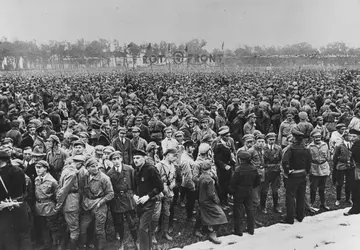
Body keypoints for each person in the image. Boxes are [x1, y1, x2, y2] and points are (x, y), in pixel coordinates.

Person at [78, 158, 114, 250]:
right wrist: (83, 201)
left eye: (96, 166)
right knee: (82, 228)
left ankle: (101, 248)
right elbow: (81, 190)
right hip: (87, 205)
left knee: (99, 230)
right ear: (87, 168)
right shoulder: (84, 177)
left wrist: (101, 202)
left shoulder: (104, 178)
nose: (95, 168)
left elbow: (110, 194)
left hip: (99, 206)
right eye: (92, 167)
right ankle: (83, 246)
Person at [0, 147, 31, 250]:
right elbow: (24, 191)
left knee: (9, 238)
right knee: (24, 235)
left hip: (5, 209)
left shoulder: (2, 174)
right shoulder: (19, 171)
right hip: (21, 206)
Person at [107, 151, 138, 250]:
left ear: (121, 158)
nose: (116, 161)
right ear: (111, 161)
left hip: (128, 197)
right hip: (117, 199)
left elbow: (134, 183)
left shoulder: (129, 169)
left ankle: (136, 240)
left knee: (131, 222)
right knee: (119, 223)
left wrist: (133, 194)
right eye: (113, 159)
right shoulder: (110, 173)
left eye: (117, 158)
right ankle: (122, 242)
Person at [133, 149, 163, 250]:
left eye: (138, 158)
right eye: (134, 158)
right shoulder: (136, 170)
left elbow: (160, 187)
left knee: (142, 228)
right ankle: (150, 247)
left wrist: (148, 196)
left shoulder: (151, 169)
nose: (135, 160)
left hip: (149, 203)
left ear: (144, 158)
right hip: (139, 203)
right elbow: (135, 186)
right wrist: (134, 195)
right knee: (147, 228)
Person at [281, 126, 311, 224]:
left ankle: (289, 218)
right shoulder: (305, 148)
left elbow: (285, 162)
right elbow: (309, 162)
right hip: (302, 175)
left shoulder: (290, 148)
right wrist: (306, 172)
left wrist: (287, 171)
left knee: (290, 196)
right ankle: (300, 216)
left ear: (294, 138)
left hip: (293, 176)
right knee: (301, 196)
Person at [56, 155, 85, 250]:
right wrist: (59, 205)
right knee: (75, 230)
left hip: (68, 203)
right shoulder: (72, 174)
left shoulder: (65, 170)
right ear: (79, 164)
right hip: (71, 204)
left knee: (69, 227)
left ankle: (62, 246)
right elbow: (63, 190)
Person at [229, 151, 260, 236]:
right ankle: (251, 229)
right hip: (249, 190)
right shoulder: (253, 168)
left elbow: (233, 182)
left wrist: (231, 192)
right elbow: (257, 181)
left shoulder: (238, 169)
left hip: (239, 191)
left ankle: (238, 230)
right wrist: (251, 187)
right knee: (250, 209)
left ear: (240, 160)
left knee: (238, 210)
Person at [34, 160, 63, 249]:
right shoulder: (37, 179)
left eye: (39, 168)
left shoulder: (52, 181)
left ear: (46, 169)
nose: (37, 170)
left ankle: (55, 245)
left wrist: (56, 209)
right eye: (36, 167)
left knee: (53, 228)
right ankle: (47, 245)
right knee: (44, 228)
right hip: (39, 207)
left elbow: (58, 196)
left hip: (49, 208)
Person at [197, 160, 228, 244]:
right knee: (221, 216)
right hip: (208, 201)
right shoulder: (209, 179)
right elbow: (211, 194)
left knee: (204, 214)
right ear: (210, 169)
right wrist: (217, 200)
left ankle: (202, 229)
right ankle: (212, 233)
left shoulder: (201, 177)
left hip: (202, 200)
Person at [155, 148, 177, 241]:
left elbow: (174, 177)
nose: (175, 157)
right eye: (173, 155)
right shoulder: (159, 165)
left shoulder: (173, 165)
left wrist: (173, 183)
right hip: (160, 192)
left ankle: (165, 231)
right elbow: (154, 179)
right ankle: (156, 227)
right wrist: (159, 191)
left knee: (167, 212)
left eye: (176, 156)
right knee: (157, 212)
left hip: (169, 192)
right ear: (167, 155)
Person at [213, 126, 236, 209]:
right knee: (221, 186)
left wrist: (233, 160)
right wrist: (223, 165)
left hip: (229, 166)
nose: (228, 138)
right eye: (226, 136)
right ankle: (222, 202)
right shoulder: (217, 144)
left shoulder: (230, 141)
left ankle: (226, 200)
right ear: (222, 136)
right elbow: (216, 158)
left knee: (227, 184)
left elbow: (233, 151)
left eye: (228, 136)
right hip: (221, 168)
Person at [308, 130, 331, 210]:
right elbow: (307, 159)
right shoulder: (309, 147)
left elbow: (328, 156)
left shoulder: (325, 145)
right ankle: (312, 203)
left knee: (322, 187)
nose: (318, 139)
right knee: (313, 188)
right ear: (312, 138)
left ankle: (323, 203)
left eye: (319, 137)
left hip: (323, 168)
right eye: (316, 137)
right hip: (314, 169)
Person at [261, 132, 282, 213]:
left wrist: (277, 167)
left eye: (273, 139)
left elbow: (280, 159)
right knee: (264, 191)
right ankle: (263, 207)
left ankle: (276, 206)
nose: (272, 141)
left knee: (275, 191)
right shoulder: (263, 148)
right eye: (270, 139)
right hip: (266, 171)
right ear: (267, 140)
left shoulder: (278, 148)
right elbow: (261, 160)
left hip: (276, 172)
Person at [333, 130, 354, 207]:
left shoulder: (352, 145)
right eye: (348, 136)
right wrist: (339, 161)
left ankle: (348, 199)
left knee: (349, 183)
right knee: (340, 183)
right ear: (345, 137)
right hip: (341, 166)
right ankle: (338, 199)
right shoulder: (339, 146)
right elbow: (335, 157)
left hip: (350, 167)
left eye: (351, 136)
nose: (350, 137)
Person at [179, 140, 197, 222]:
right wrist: (192, 186)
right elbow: (188, 175)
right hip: (189, 182)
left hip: (186, 181)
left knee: (189, 199)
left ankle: (189, 211)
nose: (193, 148)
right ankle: (189, 216)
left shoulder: (188, 155)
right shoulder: (185, 159)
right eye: (192, 147)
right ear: (186, 148)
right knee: (191, 200)